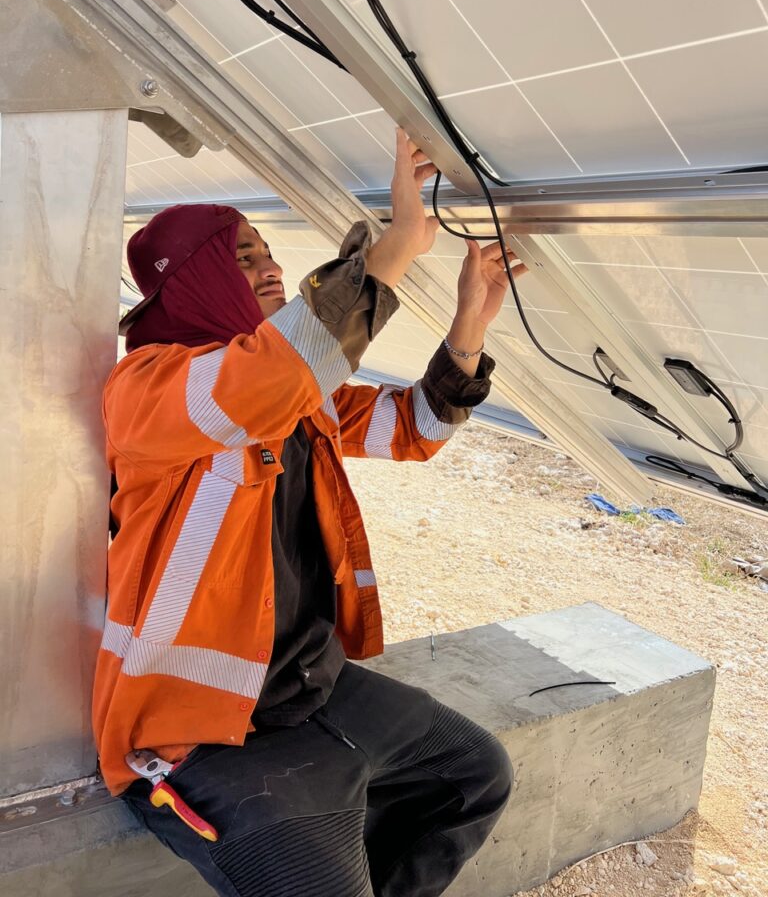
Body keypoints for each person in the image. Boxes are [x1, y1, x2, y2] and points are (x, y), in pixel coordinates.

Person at [93, 130, 526, 897]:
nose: (270, 268)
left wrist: (469, 328)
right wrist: (390, 251)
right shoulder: (150, 387)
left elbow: (411, 429)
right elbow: (261, 381)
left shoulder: (291, 387)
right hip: (200, 732)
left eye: (267, 252)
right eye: (243, 256)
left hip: (308, 689)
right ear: (189, 281)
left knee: (472, 776)